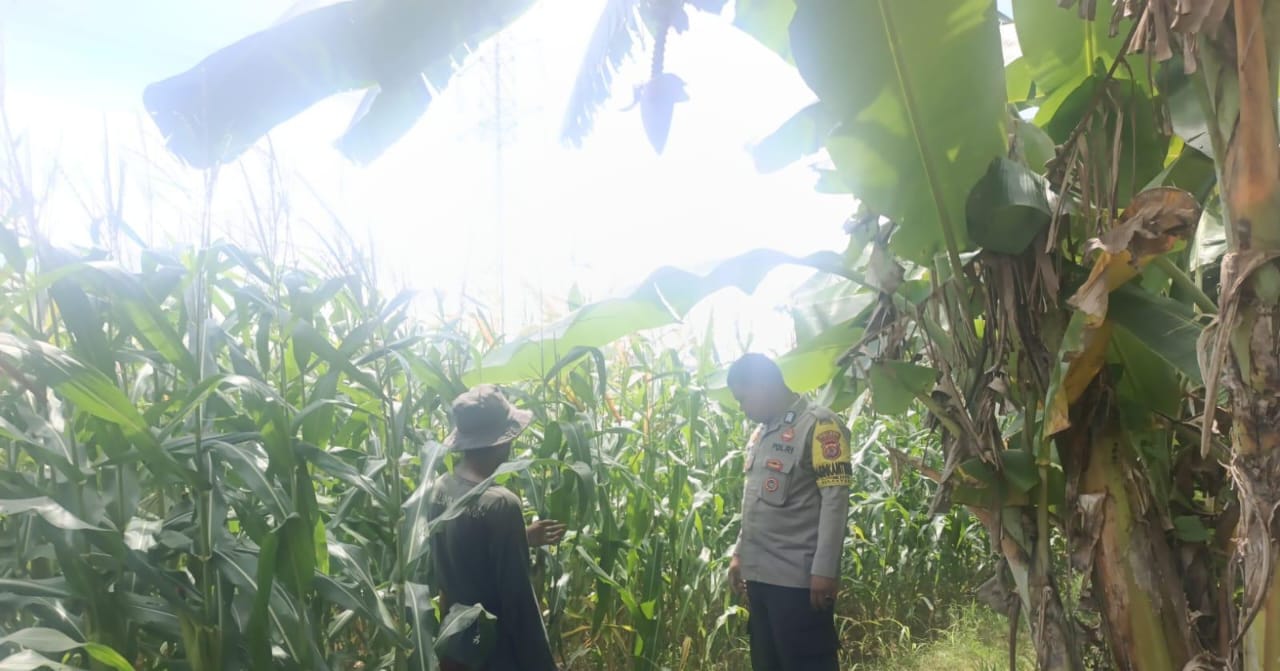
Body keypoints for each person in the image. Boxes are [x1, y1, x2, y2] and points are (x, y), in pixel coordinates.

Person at [726, 353, 852, 671]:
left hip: (798, 581)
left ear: (763, 385)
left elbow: (835, 500)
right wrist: (739, 554)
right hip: (760, 578)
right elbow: (755, 503)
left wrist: (824, 571)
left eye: (743, 398)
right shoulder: (761, 434)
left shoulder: (820, 426)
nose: (742, 408)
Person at [427, 384, 565, 671]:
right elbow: (519, 605)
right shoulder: (502, 504)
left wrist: (521, 537)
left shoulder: (441, 487)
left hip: (455, 643)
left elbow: (464, 551)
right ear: (502, 441)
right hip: (493, 651)